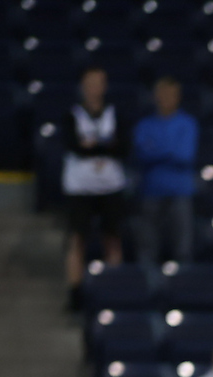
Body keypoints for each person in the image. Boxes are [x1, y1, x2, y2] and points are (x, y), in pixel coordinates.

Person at [61, 65, 127, 304]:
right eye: (90, 83)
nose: (94, 88)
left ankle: (114, 290)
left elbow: (123, 148)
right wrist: (105, 146)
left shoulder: (115, 114)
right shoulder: (72, 115)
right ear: (82, 87)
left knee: (112, 238)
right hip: (80, 188)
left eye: (98, 83)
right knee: (77, 239)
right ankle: (75, 293)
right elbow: (74, 145)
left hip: (110, 187)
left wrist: (93, 146)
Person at [130, 75, 197, 265]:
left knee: (182, 249)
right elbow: (142, 154)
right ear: (155, 96)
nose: (166, 98)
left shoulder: (187, 123)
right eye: (162, 94)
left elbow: (185, 156)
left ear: (178, 97)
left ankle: (184, 289)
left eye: (171, 94)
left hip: (180, 192)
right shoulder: (145, 125)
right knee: (147, 249)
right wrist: (169, 150)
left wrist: (157, 149)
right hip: (151, 191)